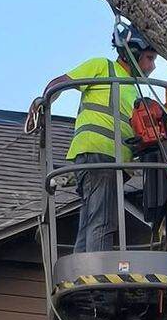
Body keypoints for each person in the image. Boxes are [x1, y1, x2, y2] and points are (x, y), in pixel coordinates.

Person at [45, 26, 160, 252]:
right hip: (100, 154)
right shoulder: (103, 67)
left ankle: (81, 272)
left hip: (111, 160)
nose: (152, 66)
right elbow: (60, 82)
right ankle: (96, 275)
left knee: (91, 217)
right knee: (103, 220)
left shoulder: (134, 90)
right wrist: (43, 102)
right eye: (149, 58)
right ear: (131, 52)